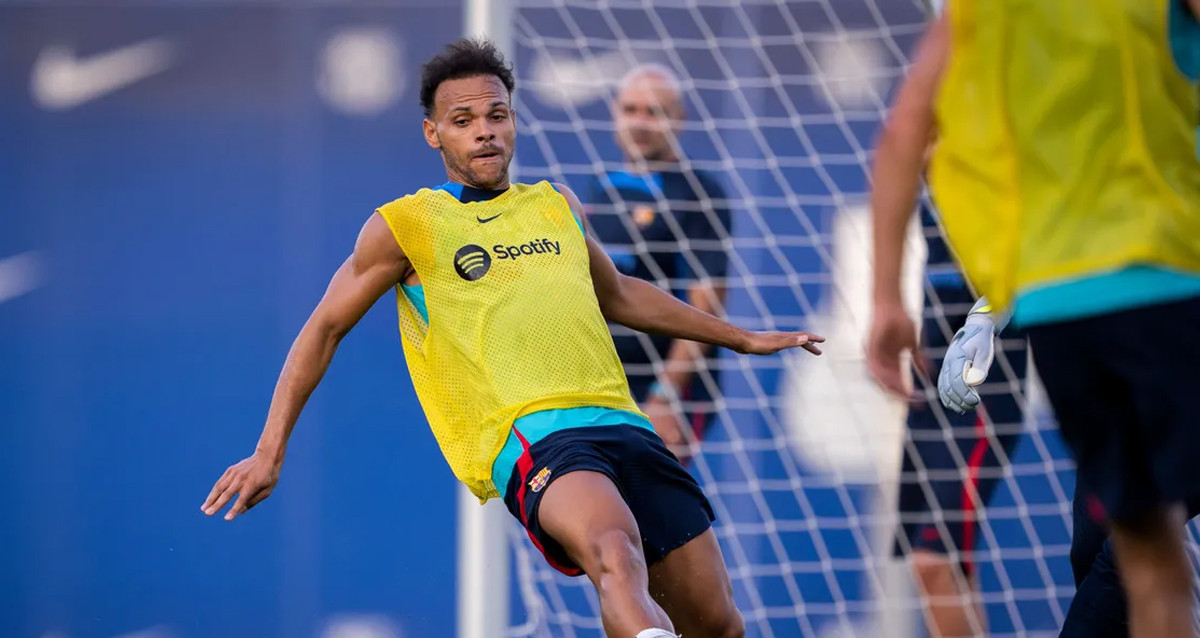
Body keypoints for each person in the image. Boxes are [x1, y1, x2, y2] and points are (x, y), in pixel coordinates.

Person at [200, 38, 826, 638]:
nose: (484, 130)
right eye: (464, 119)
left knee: (718, 623)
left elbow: (623, 295)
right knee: (614, 549)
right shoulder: (407, 225)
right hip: (532, 436)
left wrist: (740, 338)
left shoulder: (556, 205)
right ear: (433, 132)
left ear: (514, 121)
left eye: (496, 115)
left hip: (623, 421)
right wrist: (269, 449)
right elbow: (324, 329)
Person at [869, 2, 1200, 637]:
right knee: (1122, 560)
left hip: (1061, 313)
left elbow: (902, 132)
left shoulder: (984, 13)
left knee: (1138, 558)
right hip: (1163, 283)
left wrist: (885, 299)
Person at [868, 192, 1029, 637]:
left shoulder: (997, 169)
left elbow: (1018, 270)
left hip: (981, 386)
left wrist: (979, 325)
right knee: (945, 563)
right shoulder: (934, 180)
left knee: (934, 559)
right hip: (931, 388)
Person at [584, 63, 731, 461]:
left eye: (654, 112)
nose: (640, 122)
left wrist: (666, 394)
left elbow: (707, 305)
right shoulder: (602, 188)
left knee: (655, 507)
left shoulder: (697, 193)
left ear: (677, 120)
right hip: (606, 382)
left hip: (669, 388)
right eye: (631, 110)